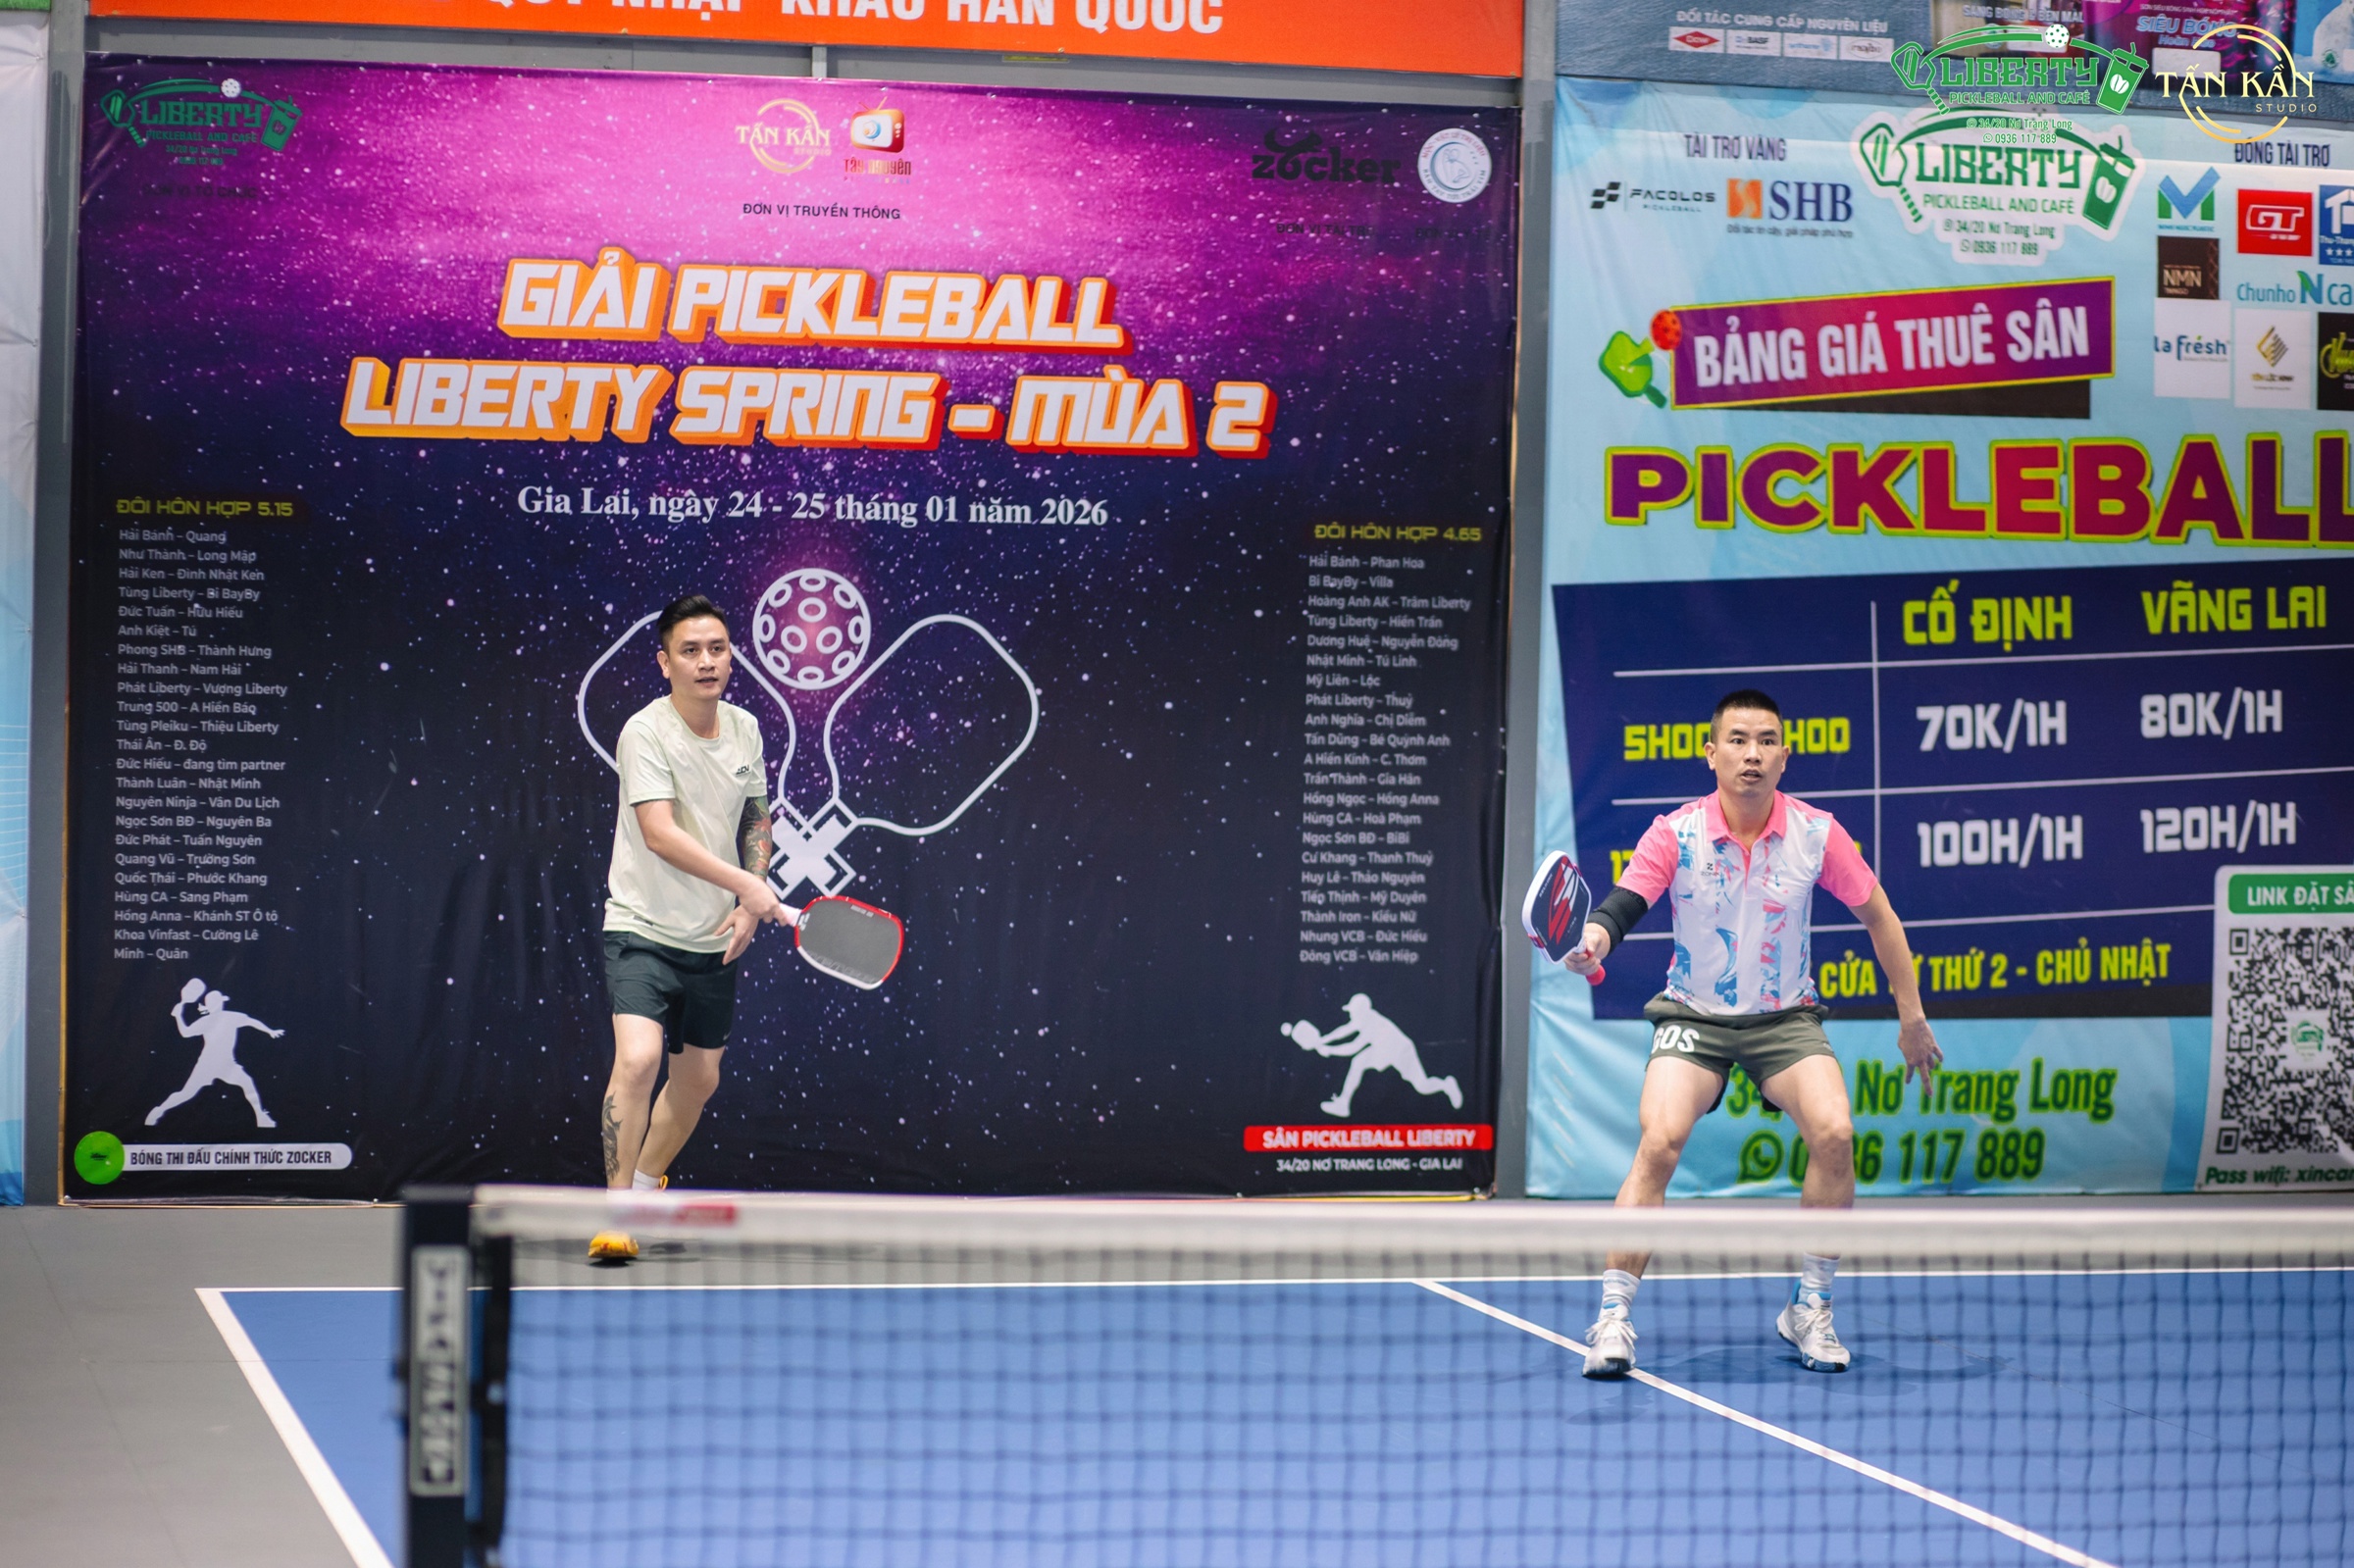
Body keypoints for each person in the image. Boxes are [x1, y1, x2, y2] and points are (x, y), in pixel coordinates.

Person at [1536, 688, 1940, 1377]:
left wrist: (1912, 1016)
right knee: (1660, 1140)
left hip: (1785, 1018)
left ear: (1784, 756)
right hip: (1693, 1016)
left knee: (1836, 1133)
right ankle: (1613, 1315)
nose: (1753, 754)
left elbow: (1882, 918)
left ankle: (1810, 1305)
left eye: (1766, 741)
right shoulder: (1676, 833)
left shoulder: (1817, 834)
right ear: (1712, 753)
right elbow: (1623, 904)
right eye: (1738, 740)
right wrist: (1595, 941)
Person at [588, 594, 786, 1263]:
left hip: (713, 938)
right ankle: (616, 1213)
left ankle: (646, 1189)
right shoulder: (644, 732)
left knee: (699, 1081)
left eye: (718, 649)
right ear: (664, 662)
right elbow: (659, 833)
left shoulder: (746, 728)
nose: (707, 661)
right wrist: (748, 886)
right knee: (639, 1059)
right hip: (641, 927)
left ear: (731, 657)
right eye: (691, 650)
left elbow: (756, 818)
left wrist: (748, 898)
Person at [147, 984, 285, 1128]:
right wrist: (178, 1017)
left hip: (227, 1064)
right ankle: (159, 1110)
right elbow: (186, 1034)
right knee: (187, 1093)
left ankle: (261, 1118)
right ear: (216, 1003)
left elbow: (252, 1022)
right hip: (207, 1065)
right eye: (217, 1001)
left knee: (247, 1083)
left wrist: (270, 1031)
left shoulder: (228, 1017)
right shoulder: (211, 1020)